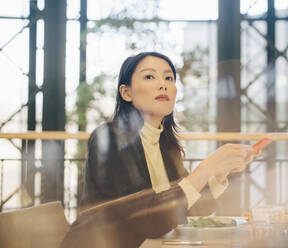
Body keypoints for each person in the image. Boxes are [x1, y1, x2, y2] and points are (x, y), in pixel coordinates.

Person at [65, 52, 262, 247]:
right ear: (126, 93)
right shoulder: (109, 138)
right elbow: (150, 222)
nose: (163, 84)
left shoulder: (166, 145)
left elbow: (189, 211)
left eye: (169, 78)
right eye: (149, 76)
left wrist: (220, 173)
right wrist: (206, 168)